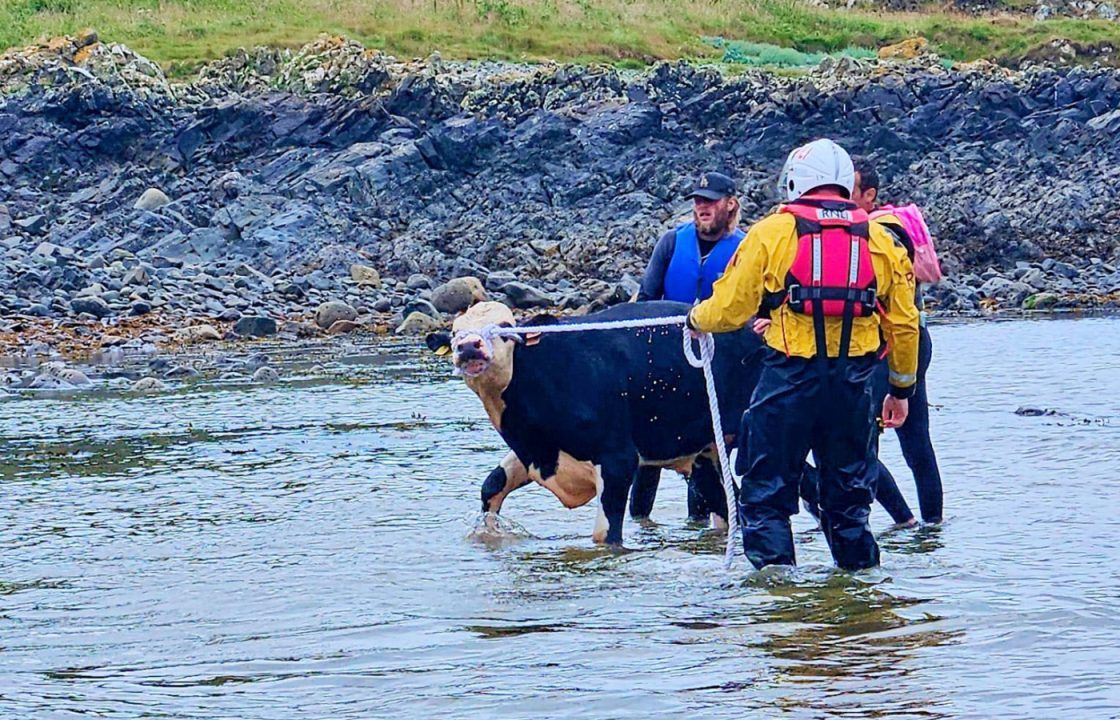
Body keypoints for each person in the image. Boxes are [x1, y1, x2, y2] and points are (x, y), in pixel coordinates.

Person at [687, 138, 920, 571]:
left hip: (787, 385)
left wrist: (695, 321)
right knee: (850, 504)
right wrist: (900, 389)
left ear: (796, 182)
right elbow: (904, 326)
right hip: (852, 390)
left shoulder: (772, 233)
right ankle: (860, 599)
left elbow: (731, 308)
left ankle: (781, 605)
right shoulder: (883, 241)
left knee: (766, 496)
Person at [631, 172, 745, 522]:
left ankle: (702, 531)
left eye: (710, 201)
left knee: (705, 454)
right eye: (698, 201)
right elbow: (647, 300)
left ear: (730, 204)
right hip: (667, 362)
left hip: (718, 368)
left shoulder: (745, 248)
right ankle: (641, 525)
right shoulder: (671, 242)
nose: (702, 207)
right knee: (646, 454)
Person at [851, 157, 944, 524]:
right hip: (912, 340)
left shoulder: (882, 231)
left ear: (869, 195)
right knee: (917, 445)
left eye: (850, 191)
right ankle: (931, 530)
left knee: (863, 447)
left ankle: (906, 521)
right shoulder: (893, 223)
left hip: (892, 347)